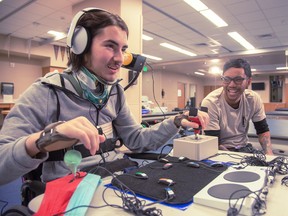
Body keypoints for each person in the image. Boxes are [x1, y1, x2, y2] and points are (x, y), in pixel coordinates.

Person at [0, 8, 209, 185]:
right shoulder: (46, 92)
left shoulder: (114, 93)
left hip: (114, 180)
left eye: (123, 49)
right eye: (110, 46)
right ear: (81, 45)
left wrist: (175, 121)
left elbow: (137, 140)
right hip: (70, 191)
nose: (120, 59)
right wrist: (41, 140)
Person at [201, 58, 273, 155]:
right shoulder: (211, 102)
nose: (231, 85)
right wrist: (235, 158)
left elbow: (263, 131)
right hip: (220, 150)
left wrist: (269, 156)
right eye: (227, 79)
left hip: (244, 147)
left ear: (248, 81)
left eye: (238, 79)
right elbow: (214, 142)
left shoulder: (253, 99)